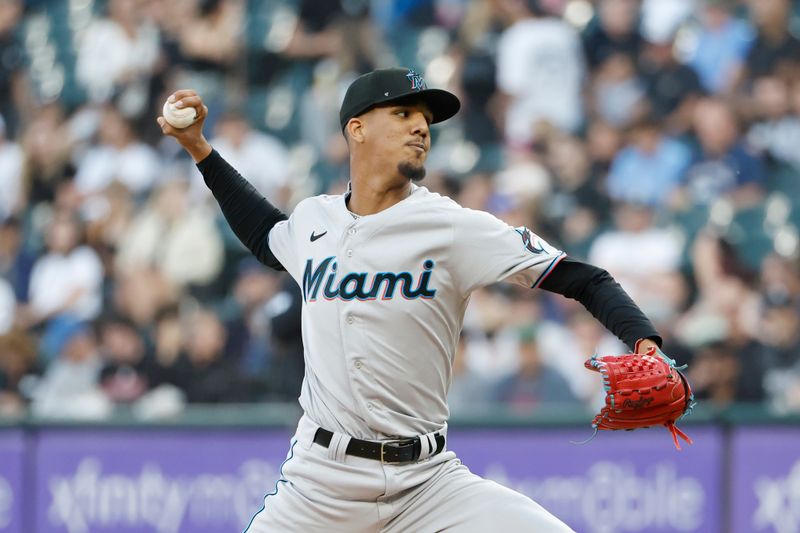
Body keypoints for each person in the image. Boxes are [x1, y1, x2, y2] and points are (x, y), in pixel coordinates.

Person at [158, 67, 665, 532]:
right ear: (356, 129)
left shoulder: (452, 227)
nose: (421, 128)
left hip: (428, 483)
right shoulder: (314, 221)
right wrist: (200, 149)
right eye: (402, 114)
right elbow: (266, 232)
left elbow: (585, 278)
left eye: (425, 120)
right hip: (320, 484)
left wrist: (644, 341)